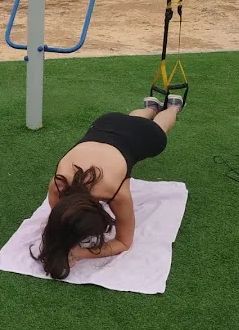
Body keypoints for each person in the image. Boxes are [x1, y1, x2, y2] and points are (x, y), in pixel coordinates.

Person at [34, 94, 184, 279]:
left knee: (159, 127)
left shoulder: (114, 193)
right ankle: (151, 108)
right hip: (108, 122)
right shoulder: (58, 184)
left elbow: (124, 242)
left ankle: (173, 108)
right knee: (130, 122)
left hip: (143, 134)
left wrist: (78, 253)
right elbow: (60, 224)